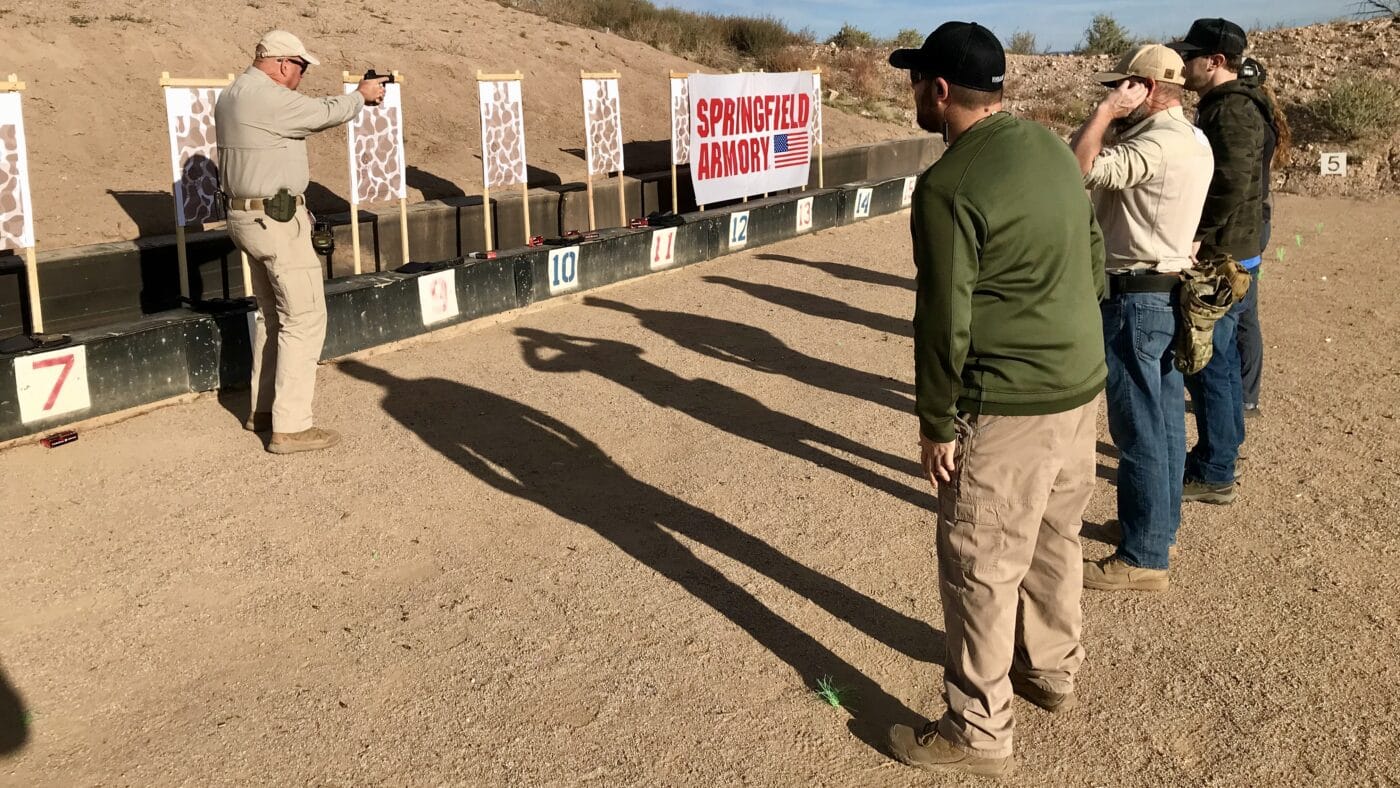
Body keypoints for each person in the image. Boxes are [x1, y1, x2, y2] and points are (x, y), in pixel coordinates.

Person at [885, 22, 1107, 778]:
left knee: (980, 562)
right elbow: (1095, 254)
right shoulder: (1049, 146)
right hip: (1080, 392)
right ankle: (1050, 670)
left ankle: (978, 728)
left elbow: (942, 319)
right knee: (1055, 537)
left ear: (940, 90)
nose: (912, 91)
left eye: (916, 80)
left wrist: (936, 423)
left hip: (1007, 405)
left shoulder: (949, 185)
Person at [1069, 45, 1213, 590]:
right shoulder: (1192, 138)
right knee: (1165, 425)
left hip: (1136, 296)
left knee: (1139, 431)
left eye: (1125, 85)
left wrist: (1104, 115)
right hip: (1167, 290)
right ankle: (1158, 525)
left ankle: (1144, 557)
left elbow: (1076, 166)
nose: (1116, 94)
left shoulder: (1155, 144)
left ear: (1146, 88)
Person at [216, 30, 387, 454]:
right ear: (281, 64)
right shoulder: (266, 96)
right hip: (274, 220)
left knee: (273, 316)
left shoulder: (234, 93)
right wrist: (360, 96)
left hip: (248, 216)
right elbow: (319, 112)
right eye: (301, 67)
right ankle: (291, 427)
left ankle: (264, 410)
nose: (302, 75)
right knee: (305, 317)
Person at [1169, 18, 1268, 504]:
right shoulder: (1240, 104)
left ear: (1217, 61)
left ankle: (1214, 469)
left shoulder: (1230, 111)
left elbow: (1230, 179)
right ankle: (1220, 456)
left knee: (1209, 363)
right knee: (1222, 361)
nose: (1184, 65)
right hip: (1238, 248)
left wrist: (1196, 235)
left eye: (1191, 56)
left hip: (1223, 253)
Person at [1236, 57, 1291, 420]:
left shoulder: (1246, 120)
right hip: (1258, 215)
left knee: (1242, 314)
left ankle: (1244, 396)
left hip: (1249, 220)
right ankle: (1244, 394)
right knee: (1245, 313)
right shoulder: (1267, 118)